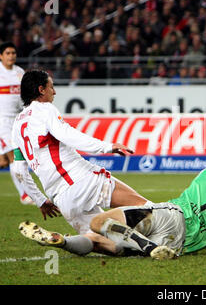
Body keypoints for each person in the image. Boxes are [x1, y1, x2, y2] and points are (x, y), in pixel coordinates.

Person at [14, 69, 152, 256]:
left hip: (60, 199)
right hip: (81, 180)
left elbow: (19, 170)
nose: (54, 92)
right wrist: (106, 147)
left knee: (103, 241)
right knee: (146, 208)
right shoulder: (45, 109)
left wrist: (39, 200)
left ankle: (64, 241)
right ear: (41, 90)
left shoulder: (17, 124)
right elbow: (68, 135)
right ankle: (183, 235)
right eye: (51, 87)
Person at [19, 158, 206, 259]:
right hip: (178, 244)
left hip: (169, 216)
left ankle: (146, 246)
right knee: (103, 243)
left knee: (97, 226)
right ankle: (63, 242)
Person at [0, 41, 33, 205]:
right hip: (2, 121)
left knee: (3, 161)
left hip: (17, 119)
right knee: (15, 157)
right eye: (8, 53)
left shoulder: (19, 72)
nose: (11, 56)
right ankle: (24, 196)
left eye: (13, 53)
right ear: (1, 56)